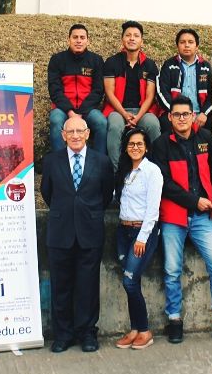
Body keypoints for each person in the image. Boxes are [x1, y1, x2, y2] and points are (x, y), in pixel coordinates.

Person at [151, 95, 212, 345]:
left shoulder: (205, 139)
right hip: (173, 216)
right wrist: (193, 201)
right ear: (169, 117)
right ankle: (174, 319)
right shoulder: (160, 144)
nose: (181, 119)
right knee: (171, 270)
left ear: (192, 115)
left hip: (201, 216)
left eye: (185, 114)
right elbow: (164, 183)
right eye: (176, 115)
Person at [40, 117, 115, 353]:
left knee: (88, 286)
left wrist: (86, 213)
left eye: (79, 131)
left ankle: (87, 333)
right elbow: (47, 193)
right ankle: (63, 334)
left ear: (87, 133)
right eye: (70, 131)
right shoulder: (51, 161)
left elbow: (106, 195)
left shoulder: (101, 162)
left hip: (90, 232)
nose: (74, 135)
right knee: (60, 286)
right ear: (62, 135)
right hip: (60, 232)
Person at [113, 128, 163, 350]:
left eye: (139, 144)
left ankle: (144, 330)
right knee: (132, 281)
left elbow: (153, 210)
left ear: (146, 147)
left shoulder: (152, 171)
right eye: (131, 144)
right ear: (125, 147)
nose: (135, 148)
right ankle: (134, 329)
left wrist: (142, 238)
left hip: (143, 233)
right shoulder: (125, 171)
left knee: (129, 281)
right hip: (123, 232)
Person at [103, 20, 161, 169]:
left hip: (142, 110)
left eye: (136, 35)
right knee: (115, 126)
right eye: (128, 35)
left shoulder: (149, 65)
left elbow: (150, 96)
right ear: (122, 39)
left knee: (153, 124)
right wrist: (124, 114)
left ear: (141, 40)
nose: (132, 38)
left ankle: (153, 168)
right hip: (117, 110)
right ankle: (115, 172)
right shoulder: (112, 62)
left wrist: (138, 117)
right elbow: (109, 93)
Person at [47, 23, 107, 154]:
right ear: (69, 39)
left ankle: (99, 163)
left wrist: (81, 112)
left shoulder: (96, 60)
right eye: (75, 37)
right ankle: (61, 163)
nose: (78, 40)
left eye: (82, 37)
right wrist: (70, 112)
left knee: (101, 122)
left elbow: (98, 90)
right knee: (56, 120)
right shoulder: (57, 60)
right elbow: (54, 89)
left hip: (88, 110)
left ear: (87, 40)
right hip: (63, 109)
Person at [156, 28, 212, 133]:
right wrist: (176, 113)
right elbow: (161, 92)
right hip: (176, 113)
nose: (186, 45)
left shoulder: (206, 67)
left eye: (190, 42)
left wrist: (204, 113)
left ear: (196, 46)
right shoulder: (169, 65)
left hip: (200, 114)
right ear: (177, 46)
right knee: (165, 122)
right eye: (182, 42)